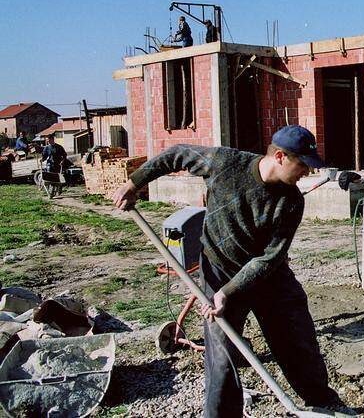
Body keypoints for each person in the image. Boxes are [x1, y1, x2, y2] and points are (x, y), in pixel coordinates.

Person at [112, 126, 345, 416]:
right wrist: (134, 184)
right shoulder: (224, 163)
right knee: (221, 360)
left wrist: (229, 292)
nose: (307, 173)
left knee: (298, 342)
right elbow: (175, 155)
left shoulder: (291, 202)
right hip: (219, 268)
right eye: (303, 165)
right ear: (281, 157)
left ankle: (324, 405)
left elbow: (269, 258)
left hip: (268, 276)